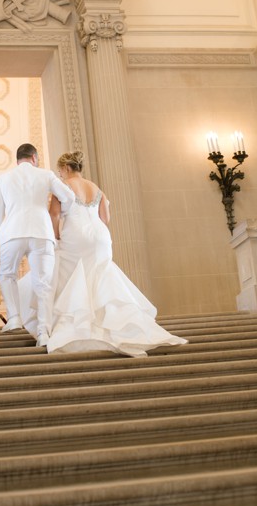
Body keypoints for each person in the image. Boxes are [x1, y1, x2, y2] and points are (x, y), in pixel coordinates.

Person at [44, 150, 188, 356]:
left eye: (60, 172)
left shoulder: (63, 186)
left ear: (66, 168)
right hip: (101, 236)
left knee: (73, 276)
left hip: (76, 235)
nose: (60, 176)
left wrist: (57, 236)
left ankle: (83, 326)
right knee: (100, 277)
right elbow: (106, 217)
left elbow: (54, 214)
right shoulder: (96, 188)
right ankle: (113, 324)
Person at [0, 143, 75, 345]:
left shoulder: (3, 179)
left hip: (12, 234)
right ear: (34, 158)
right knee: (43, 285)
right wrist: (64, 212)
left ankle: (15, 317)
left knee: (7, 274)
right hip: (41, 233)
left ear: (18, 160)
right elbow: (68, 196)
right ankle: (43, 333)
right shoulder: (46, 175)